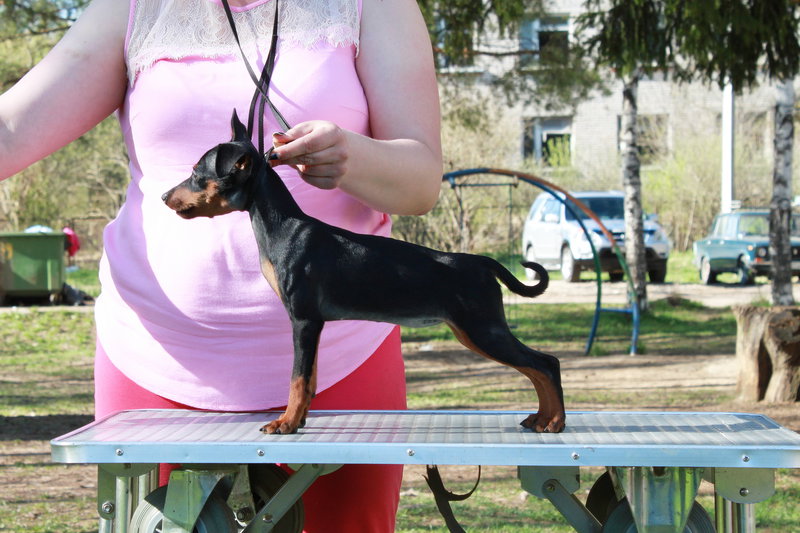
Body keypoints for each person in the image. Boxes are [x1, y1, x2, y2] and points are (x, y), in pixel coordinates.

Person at [0, 0, 442, 531]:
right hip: (154, 369)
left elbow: (420, 183)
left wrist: (353, 156)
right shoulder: (131, 7)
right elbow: (11, 126)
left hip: (344, 369)